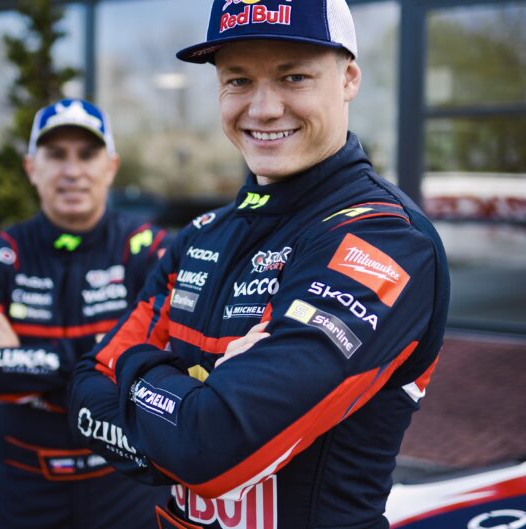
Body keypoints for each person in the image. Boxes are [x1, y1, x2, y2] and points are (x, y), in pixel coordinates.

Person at [67, 2, 450, 529]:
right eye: (239, 80)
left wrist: (135, 368)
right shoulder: (201, 235)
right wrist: (183, 411)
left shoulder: (385, 239)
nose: (264, 108)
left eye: (294, 77)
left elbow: (208, 447)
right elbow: (84, 393)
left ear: (349, 80)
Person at [0, 98, 170, 529]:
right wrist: (106, 358)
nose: (72, 171)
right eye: (56, 155)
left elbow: (168, 362)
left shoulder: (149, 249)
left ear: (111, 167)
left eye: (87, 155)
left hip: (128, 487)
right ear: (32, 168)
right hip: (24, 490)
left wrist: (24, 360)